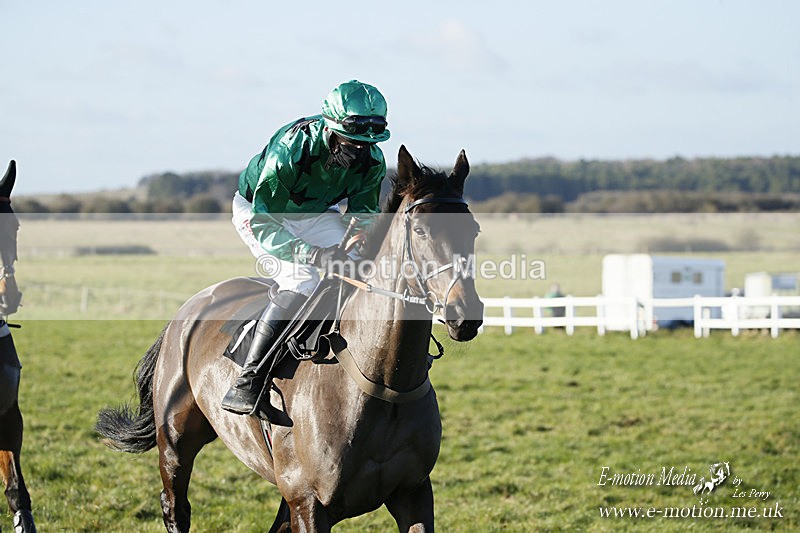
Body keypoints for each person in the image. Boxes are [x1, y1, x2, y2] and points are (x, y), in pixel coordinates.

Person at [222, 80, 391, 419]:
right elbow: (265, 222)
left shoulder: (372, 160)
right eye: (353, 141)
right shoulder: (291, 150)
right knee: (302, 280)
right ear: (332, 128)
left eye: (368, 143)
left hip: (317, 213)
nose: (360, 151)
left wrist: (354, 247)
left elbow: (363, 217)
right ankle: (248, 380)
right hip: (262, 213)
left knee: (356, 268)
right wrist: (313, 255)